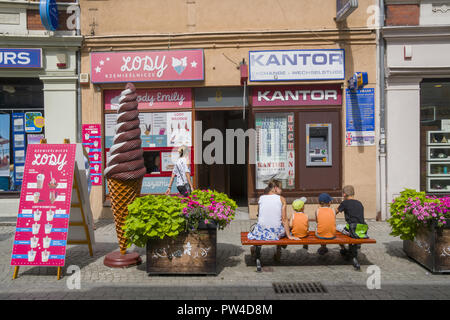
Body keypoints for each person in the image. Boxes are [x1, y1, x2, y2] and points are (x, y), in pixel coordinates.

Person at [248, 179, 298, 261]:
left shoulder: (261, 198)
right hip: (275, 233)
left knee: (256, 228)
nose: (282, 190)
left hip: (261, 232)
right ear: (275, 188)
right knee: (284, 228)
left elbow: (259, 213)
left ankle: (254, 247)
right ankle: (278, 251)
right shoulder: (282, 199)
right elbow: (284, 219)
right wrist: (289, 235)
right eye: (280, 188)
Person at [337, 185, 368, 253]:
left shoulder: (345, 203)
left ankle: (343, 248)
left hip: (351, 229)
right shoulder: (359, 203)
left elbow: (335, 212)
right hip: (361, 229)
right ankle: (357, 244)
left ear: (344, 194)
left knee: (337, 227)